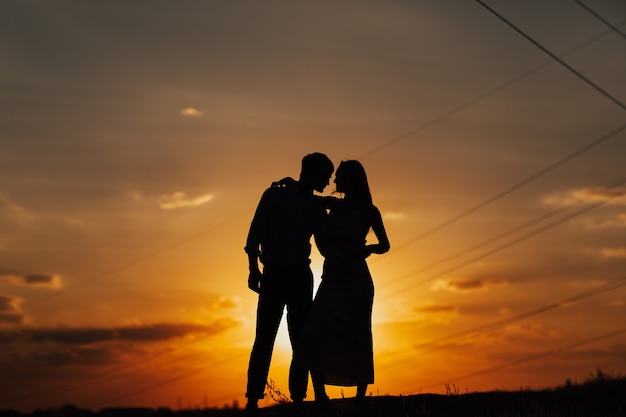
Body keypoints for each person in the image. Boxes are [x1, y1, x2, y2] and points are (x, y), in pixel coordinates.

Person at [293, 160, 390, 407]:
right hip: (332, 278)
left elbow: (385, 245)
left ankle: (359, 398)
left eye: (338, 177)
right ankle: (320, 395)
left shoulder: (370, 210)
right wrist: (290, 183)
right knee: (314, 331)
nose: (334, 182)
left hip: (356, 281)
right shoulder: (333, 207)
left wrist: (367, 249)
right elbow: (307, 196)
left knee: (358, 336)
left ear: (350, 180)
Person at [244, 152, 334, 415]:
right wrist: (253, 269)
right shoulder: (275, 194)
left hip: (299, 276)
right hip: (274, 274)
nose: (327, 182)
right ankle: (253, 397)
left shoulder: (315, 205)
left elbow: (324, 244)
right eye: (324, 176)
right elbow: (255, 232)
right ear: (311, 172)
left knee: (302, 339)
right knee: (265, 337)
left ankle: (299, 397)